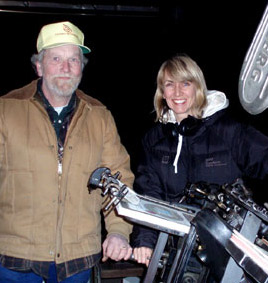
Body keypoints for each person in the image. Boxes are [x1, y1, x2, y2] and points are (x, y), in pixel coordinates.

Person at [0, 21, 133, 282]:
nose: (66, 68)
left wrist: (118, 231)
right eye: (56, 58)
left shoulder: (100, 116)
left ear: (81, 68)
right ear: (39, 66)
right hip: (14, 260)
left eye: (74, 60)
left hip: (78, 261)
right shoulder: (5, 111)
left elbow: (119, 179)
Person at [131, 55, 268, 270]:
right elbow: (148, 195)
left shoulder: (229, 131)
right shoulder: (153, 140)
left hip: (229, 255)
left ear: (198, 87)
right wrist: (144, 242)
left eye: (186, 83)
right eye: (169, 84)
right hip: (176, 254)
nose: (177, 92)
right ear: (162, 92)